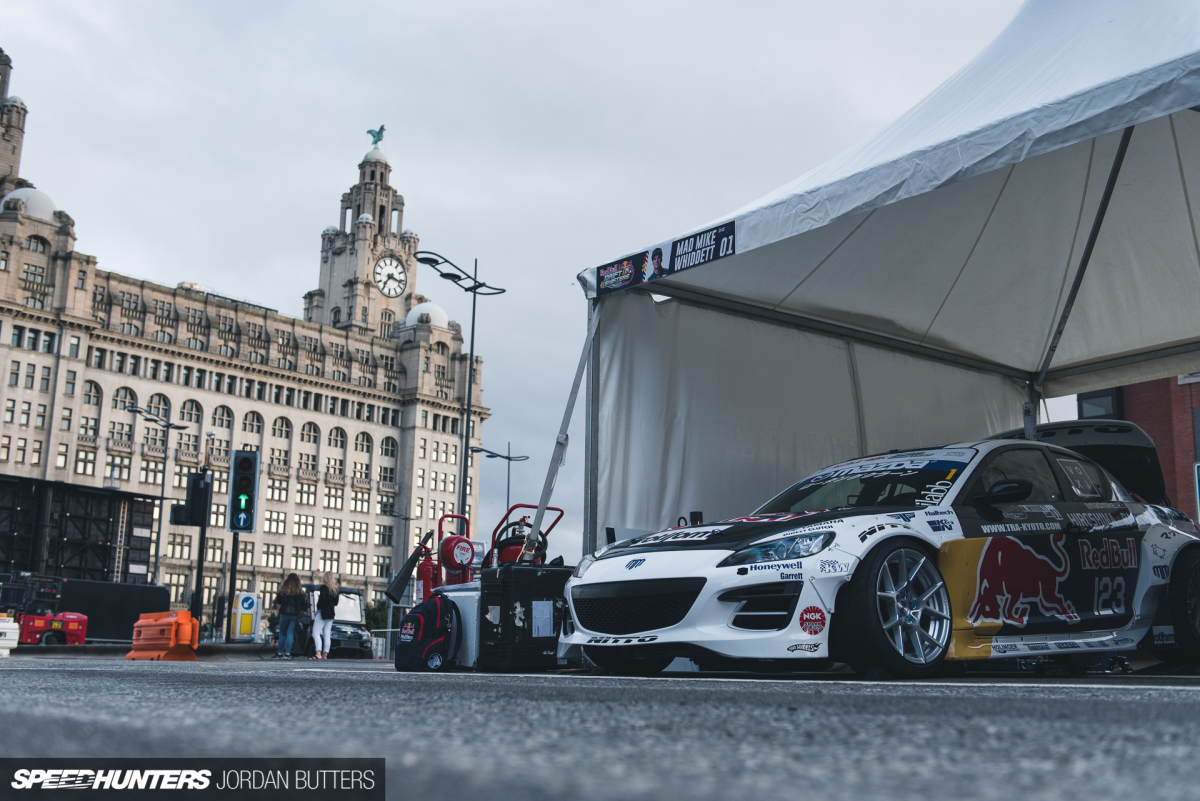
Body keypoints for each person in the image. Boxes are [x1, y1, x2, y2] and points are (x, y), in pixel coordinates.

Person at [273, 573, 307, 659]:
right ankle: (288, 654)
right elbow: (304, 604)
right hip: (294, 614)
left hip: (284, 613)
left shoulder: (283, 590)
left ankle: (280, 653)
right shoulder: (299, 591)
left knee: (282, 633)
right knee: (290, 633)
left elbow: (278, 601)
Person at [311, 572, 339, 660]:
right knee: (327, 634)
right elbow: (336, 603)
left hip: (322, 613)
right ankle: (325, 654)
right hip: (331, 614)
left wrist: (319, 607)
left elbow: (321, 599)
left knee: (316, 632)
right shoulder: (335, 589)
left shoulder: (324, 587)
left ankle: (318, 652)